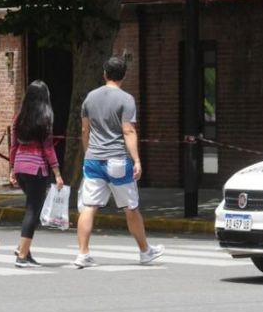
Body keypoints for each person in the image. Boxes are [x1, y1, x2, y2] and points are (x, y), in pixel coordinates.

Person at [74, 56, 164, 268]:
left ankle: (82, 253)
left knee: (89, 206)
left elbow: (84, 129)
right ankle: (145, 251)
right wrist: (137, 160)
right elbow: (128, 130)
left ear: (104, 73)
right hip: (117, 159)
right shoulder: (126, 99)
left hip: (93, 159)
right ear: (124, 75)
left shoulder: (89, 98)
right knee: (130, 207)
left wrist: (89, 152)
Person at [9, 80, 64, 268]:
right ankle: (22, 255)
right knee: (33, 211)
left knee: (31, 208)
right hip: (36, 167)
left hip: (20, 166)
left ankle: (25, 251)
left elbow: (14, 145)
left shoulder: (19, 117)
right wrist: (57, 172)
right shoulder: (45, 117)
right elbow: (48, 148)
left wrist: (11, 169)